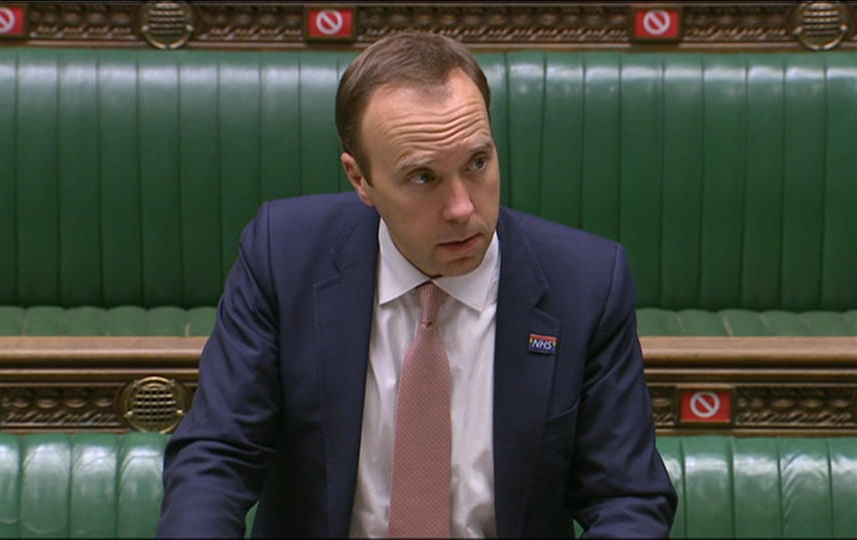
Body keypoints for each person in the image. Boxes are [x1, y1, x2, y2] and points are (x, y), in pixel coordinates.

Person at [157, 31, 676, 538]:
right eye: (423, 177)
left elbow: (626, 499)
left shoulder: (585, 284)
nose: (462, 209)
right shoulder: (283, 257)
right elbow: (217, 456)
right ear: (360, 179)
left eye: (478, 162)